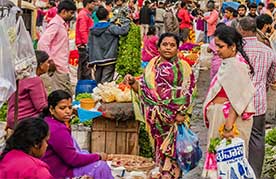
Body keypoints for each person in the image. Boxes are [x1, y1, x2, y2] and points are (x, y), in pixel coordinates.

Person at [124, 33, 196, 178]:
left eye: (172, 45)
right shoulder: (151, 66)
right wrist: (133, 83)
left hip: (176, 120)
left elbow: (189, 91)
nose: (168, 48)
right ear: (158, 47)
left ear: (177, 48)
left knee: (175, 156)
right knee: (159, 155)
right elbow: (144, 91)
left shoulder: (184, 67)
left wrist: (182, 112)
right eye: (165, 44)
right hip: (156, 120)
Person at [203, 26, 255, 154]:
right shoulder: (230, 62)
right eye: (216, 46)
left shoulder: (236, 65)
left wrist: (228, 127)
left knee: (226, 163)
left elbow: (238, 99)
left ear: (232, 46)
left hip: (228, 120)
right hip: (221, 117)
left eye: (221, 46)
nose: (217, 50)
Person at [41, 90, 113, 178]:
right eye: (62, 108)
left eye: (70, 107)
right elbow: (73, 159)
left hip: (53, 168)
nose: (67, 111)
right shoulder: (57, 129)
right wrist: (98, 156)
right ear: (52, 109)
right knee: (100, 166)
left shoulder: (48, 121)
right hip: (60, 172)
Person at [237, 17, 276, 178]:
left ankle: (238, 171)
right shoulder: (268, 50)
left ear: (242, 30)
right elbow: (272, 75)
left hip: (237, 102)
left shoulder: (236, 49)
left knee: (237, 137)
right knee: (257, 138)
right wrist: (262, 85)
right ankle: (255, 174)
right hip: (259, 101)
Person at [38, 0, 77, 95]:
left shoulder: (61, 24)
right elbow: (42, 43)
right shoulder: (56, 24)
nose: (72, 16)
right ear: (63, 11)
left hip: (62, 66)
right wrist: (50, 61)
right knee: (61, 98)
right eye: (71, 13)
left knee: (67, 96)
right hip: (58, 68)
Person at [7, 50, 50, 130]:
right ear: (40, 65)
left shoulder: (19, 77)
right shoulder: (34, 80)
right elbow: (41, 107)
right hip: (24, 120)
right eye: (47, 62)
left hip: (12, 119)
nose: (49, 65)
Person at [88, 6, 130, 83]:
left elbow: (89, 45)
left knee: (98, 81)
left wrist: (90, 60)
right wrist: (126, 21)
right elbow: (123, 31)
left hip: (97, 60)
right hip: (110, 58)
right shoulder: (110, 27)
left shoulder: (92, 29)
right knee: (106, 83)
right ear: (107, 16)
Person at [75, 0, 98, 80]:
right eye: (92, 3)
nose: (94, 4)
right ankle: (84, 84)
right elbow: (82, 31)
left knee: (84, 66)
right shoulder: (83, 15)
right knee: (85, 67)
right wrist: (87, 44)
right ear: (88, 4)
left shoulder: (87, 14)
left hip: (85, 44)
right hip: (84, 45)